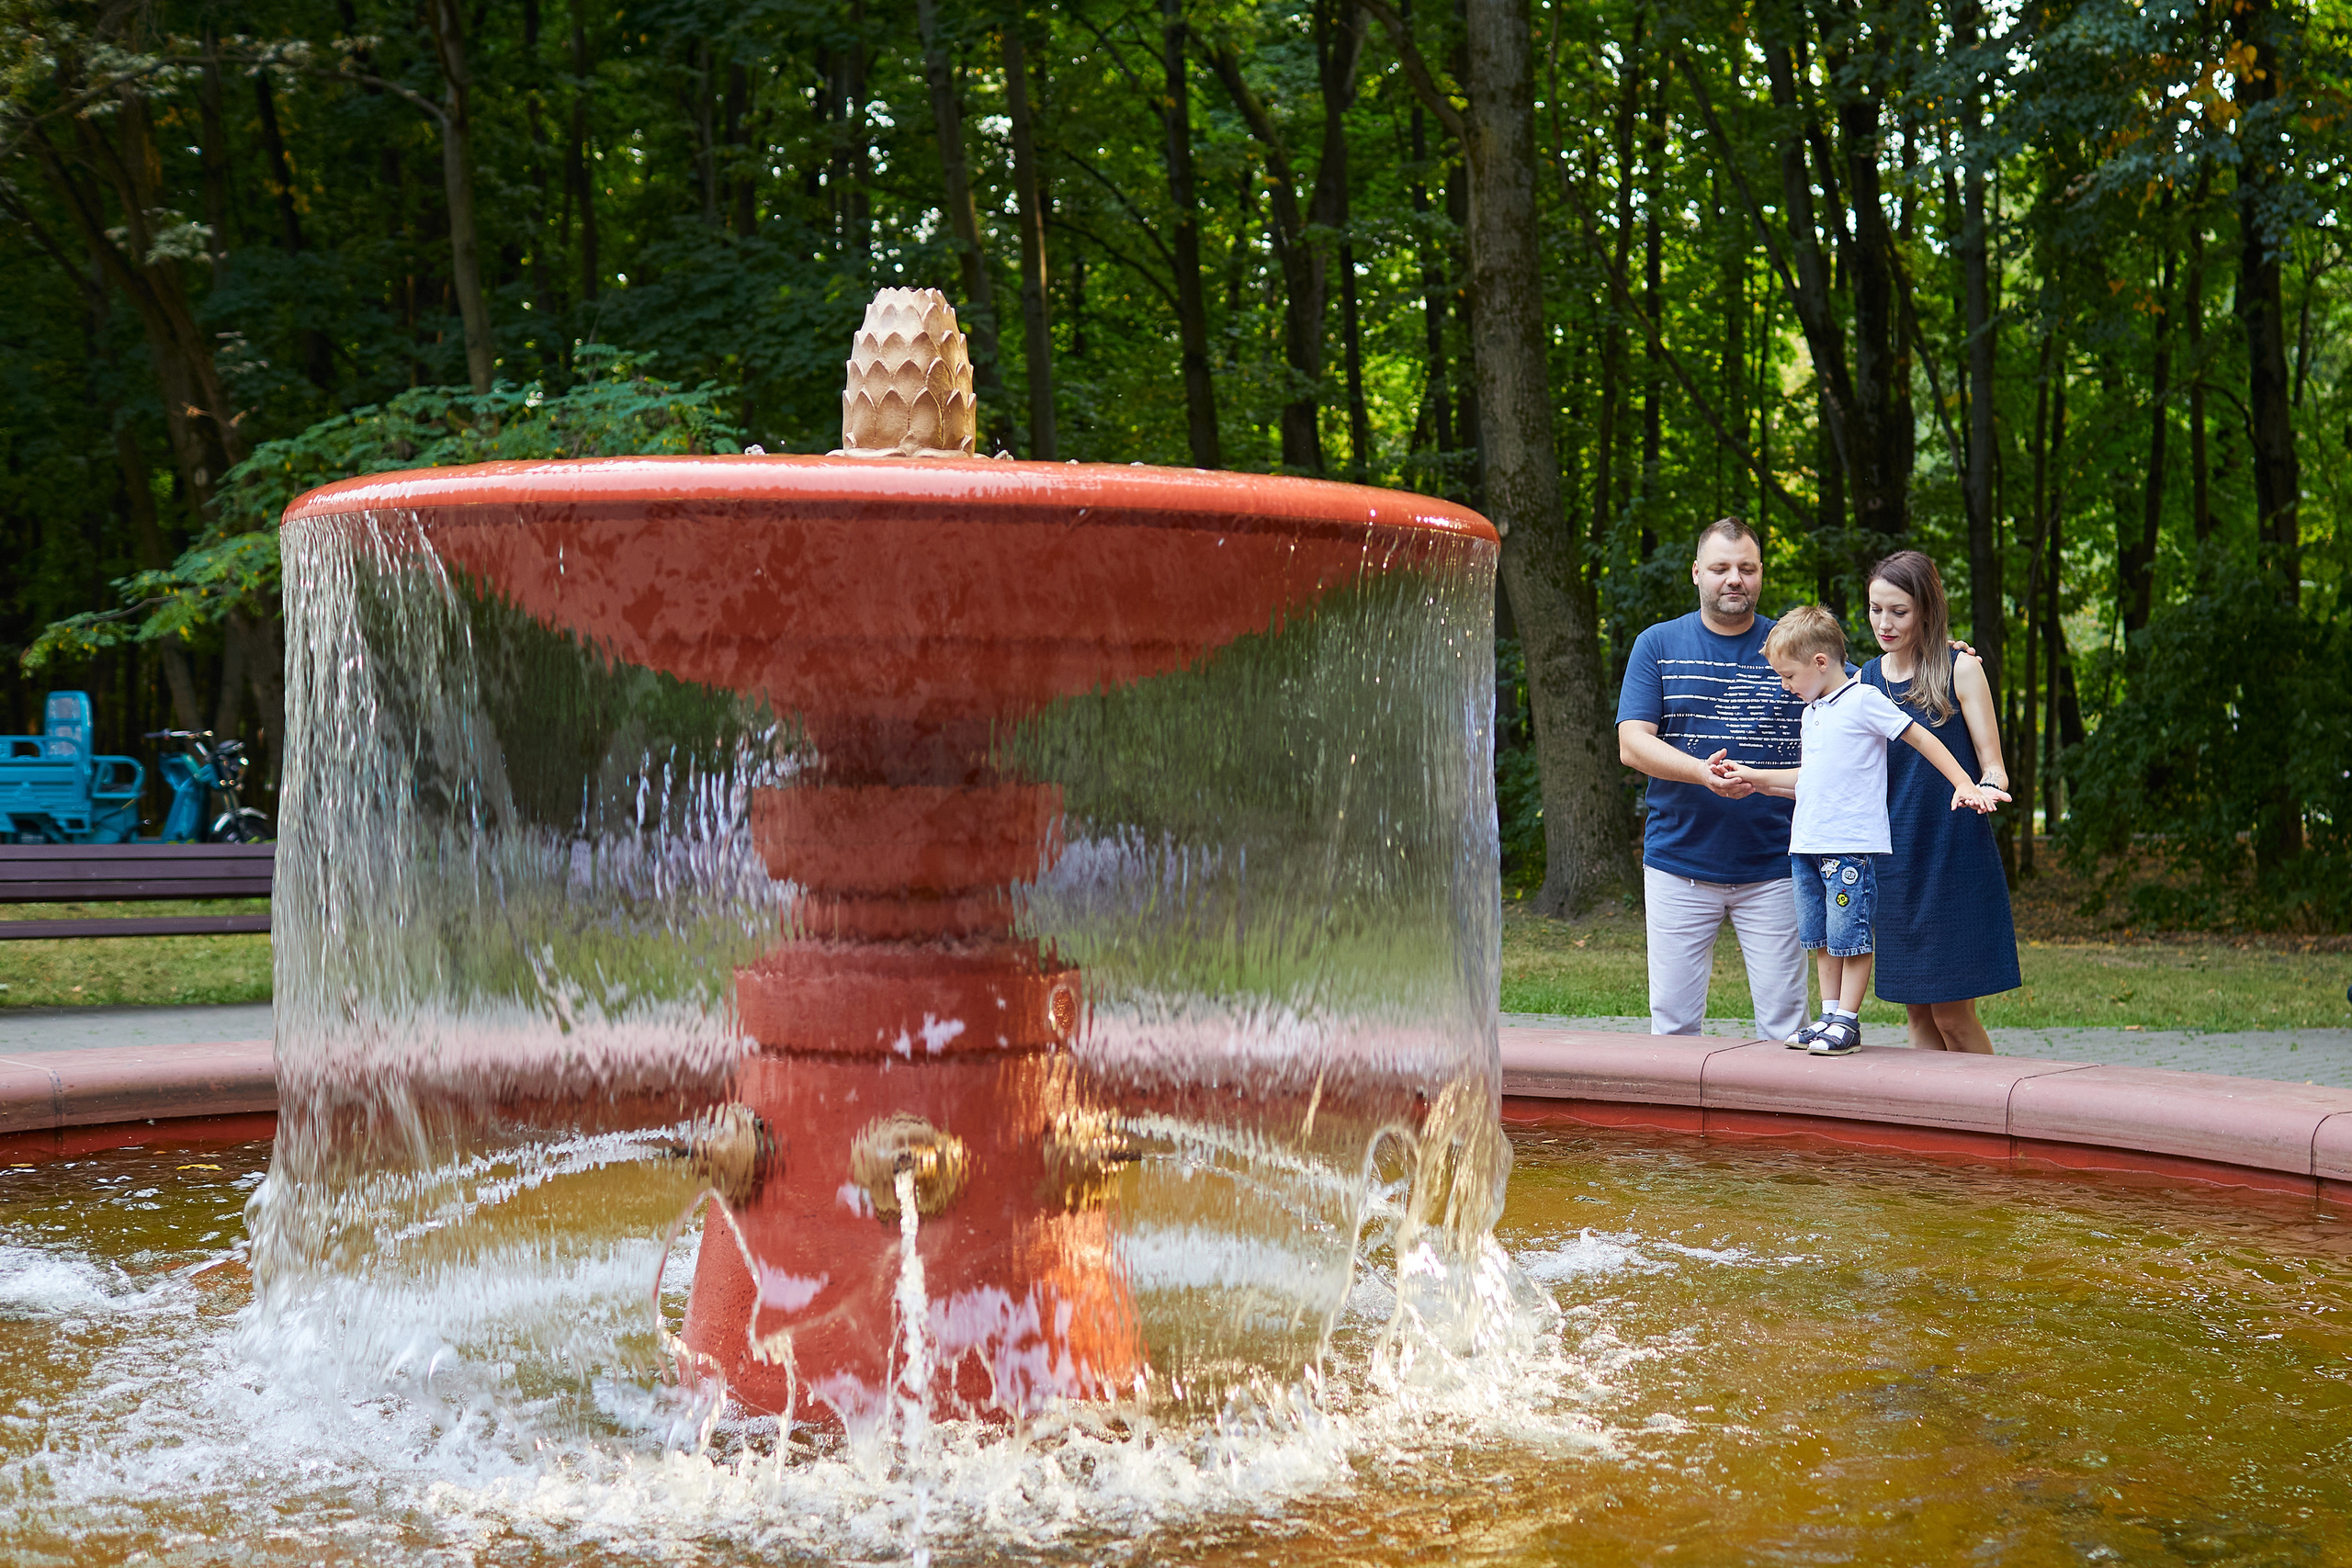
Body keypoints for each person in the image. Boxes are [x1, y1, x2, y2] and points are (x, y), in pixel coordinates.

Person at [1709, 606, 2008, 1055]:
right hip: (1819, 847)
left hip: (1873, 847)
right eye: (1875, 609)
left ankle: (1847, 1020)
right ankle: (1831, 1015)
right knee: (1829, 941)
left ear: (1820, 663)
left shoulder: (1864, 697)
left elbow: (1924, 738)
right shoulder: (1818, 710)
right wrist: (1754, 778)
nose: (1784, 686)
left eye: (1788, 676)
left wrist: (1966, 782)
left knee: (1859, 940)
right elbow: (1814, 780)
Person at [1615, 518, 1809, 1042]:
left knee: (1786, 1028)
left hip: (1776, 866)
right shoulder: (1657, 643)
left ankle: (1784, 1126)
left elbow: (1862, 698)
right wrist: (1702, 773)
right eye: (1721, 568)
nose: (1734, 580)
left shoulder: (1793, 645)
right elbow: (1632, 743)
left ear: (1761, 574)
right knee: (1673, 1027)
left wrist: (1936, 657)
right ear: (1697, 572)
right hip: (1679, 865)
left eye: (1746, 568)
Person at [1857, 551, 2021, 1052]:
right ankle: (1935, 1128)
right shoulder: (1864, 680)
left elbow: (1993, 764)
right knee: (1919, 1016)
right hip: (1896, 860)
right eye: (1875, 609)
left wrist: (1990, 784)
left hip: (1954, 853)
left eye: (1899, 612)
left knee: (1952, 1015)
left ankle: (1994, 1121)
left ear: (1926, 610)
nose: (1884, 623)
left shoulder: (1961, 669)